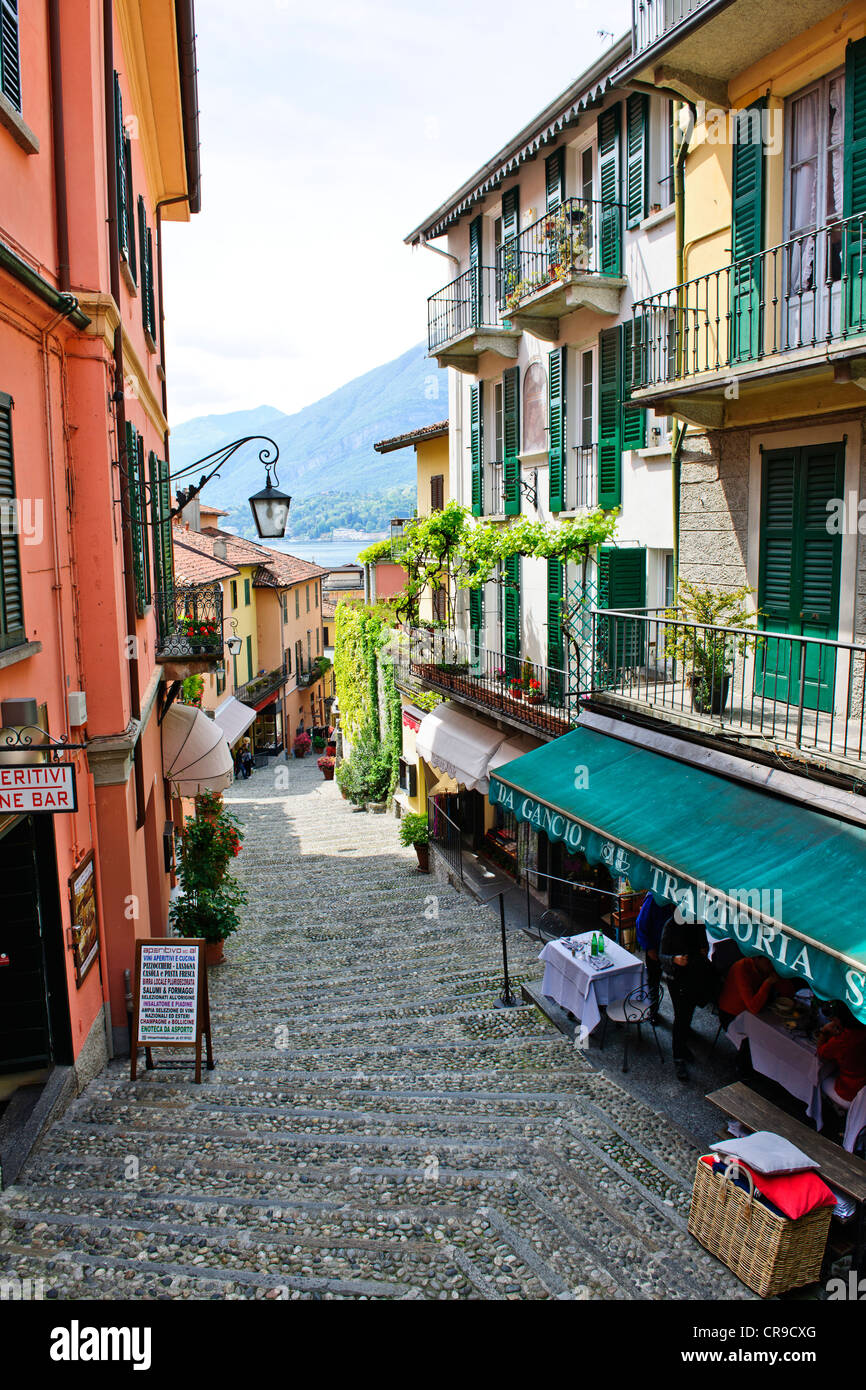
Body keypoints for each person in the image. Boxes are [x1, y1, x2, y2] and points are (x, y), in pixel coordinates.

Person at [660, 914, 720, 1082]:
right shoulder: (671, 925)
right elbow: (662, 955)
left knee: (687, 1015)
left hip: (694, 975)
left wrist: (703, 950)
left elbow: (703, 945)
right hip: (677, 978)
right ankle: (678, 1056)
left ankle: (682, 1046)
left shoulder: (698, 922)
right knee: (681, 1016)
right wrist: (675, 960)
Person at [717, 954, 794, 1028]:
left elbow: (788, 993)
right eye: (768, 962)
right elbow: (753, 1008)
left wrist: (780, 974)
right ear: (756, 958)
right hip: (732, 1014)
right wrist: (768, 983)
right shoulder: (741, 968)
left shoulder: (768, 968)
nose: (771, 966)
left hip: (757, 1013)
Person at [817, 1003, 866, 1109]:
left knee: (820, 1077)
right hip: (860, 1086)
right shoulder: (859, 1032)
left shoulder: (845, 1039)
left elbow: (821, 1053)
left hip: (850, 1093)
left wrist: (823, 1032)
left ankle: (834, 1106)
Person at [635, 893, 674, 1024]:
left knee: (672, 982)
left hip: (671, 948)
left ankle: (679, 1018)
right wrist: (649, 947)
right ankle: (653, 1011)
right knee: (654, 981)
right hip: (656, 948)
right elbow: (640, 923)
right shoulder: (654, 898)